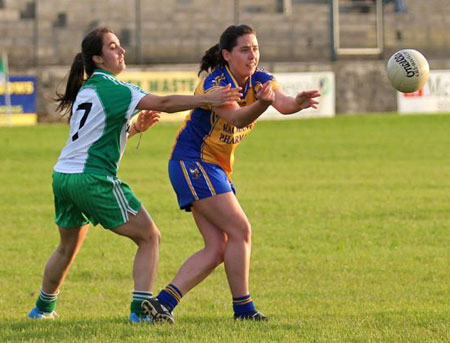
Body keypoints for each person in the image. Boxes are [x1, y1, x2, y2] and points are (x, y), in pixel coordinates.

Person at [27, 27, 241, 323]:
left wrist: (135, 128)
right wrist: (208, 99)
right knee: (149, 237)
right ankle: (140, 313)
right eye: (113, 47)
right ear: (98, 58)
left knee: (66, 247)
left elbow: (92, 133)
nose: (122, 51)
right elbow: (164, 104)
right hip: (92, 178)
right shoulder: (114, 88)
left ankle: (41, 309)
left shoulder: (88, 90)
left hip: (63, 176)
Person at [141, 24, 320, 323]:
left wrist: (297, 104)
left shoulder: (261, 79)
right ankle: (244, 309)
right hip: (193, 162)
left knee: (218, 248)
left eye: (256, 48)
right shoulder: (216, 84)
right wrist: (263, 105)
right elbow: (236, 118)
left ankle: (163, 303)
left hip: (211, 167)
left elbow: (283, 102)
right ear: (226, 54)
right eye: (245, 50)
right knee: (241, 231)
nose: (253, 55)